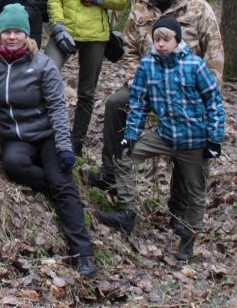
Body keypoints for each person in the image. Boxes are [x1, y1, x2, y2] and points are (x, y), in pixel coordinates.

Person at [86, 0, 224, 236]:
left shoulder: (198, 8)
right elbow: (128, 49)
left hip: (187, 89)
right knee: (115, 104)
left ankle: (181, 212)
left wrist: (205, 95)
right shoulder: (140, 5)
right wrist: (139, 82)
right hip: (146, 82)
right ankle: (111, 172)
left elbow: (215, 55)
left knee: (188, 144)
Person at [0, 4, 97, 279]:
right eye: (7, 31)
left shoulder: (43, 65)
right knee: (14, 165)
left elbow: (58, 110)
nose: (12, 37)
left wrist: (65, 147)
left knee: (62, 182)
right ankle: (60, 191)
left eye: (18, 31)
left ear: (27, 35)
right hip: (16, 135)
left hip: (47, 134)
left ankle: (83, 253)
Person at [95, 16, 225, 262]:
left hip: (194, 140)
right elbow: (138, 104)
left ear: (177, 40)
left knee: (195, 192)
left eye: (166, 39)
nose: (161, 44)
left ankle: (187, 240)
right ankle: (126, 212)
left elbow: (214, 102)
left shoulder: (195, 66)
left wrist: (214, 139)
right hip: (165, 135)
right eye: (157, 39)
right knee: (123, 157)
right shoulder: (147, 66)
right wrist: (131, 136)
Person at [46, 0, 129, 156]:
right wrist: (58, 27)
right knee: (44, 74)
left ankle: (76, 144)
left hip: (96, 36)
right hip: (66, 30)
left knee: (86, 93)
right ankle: (46, 134)